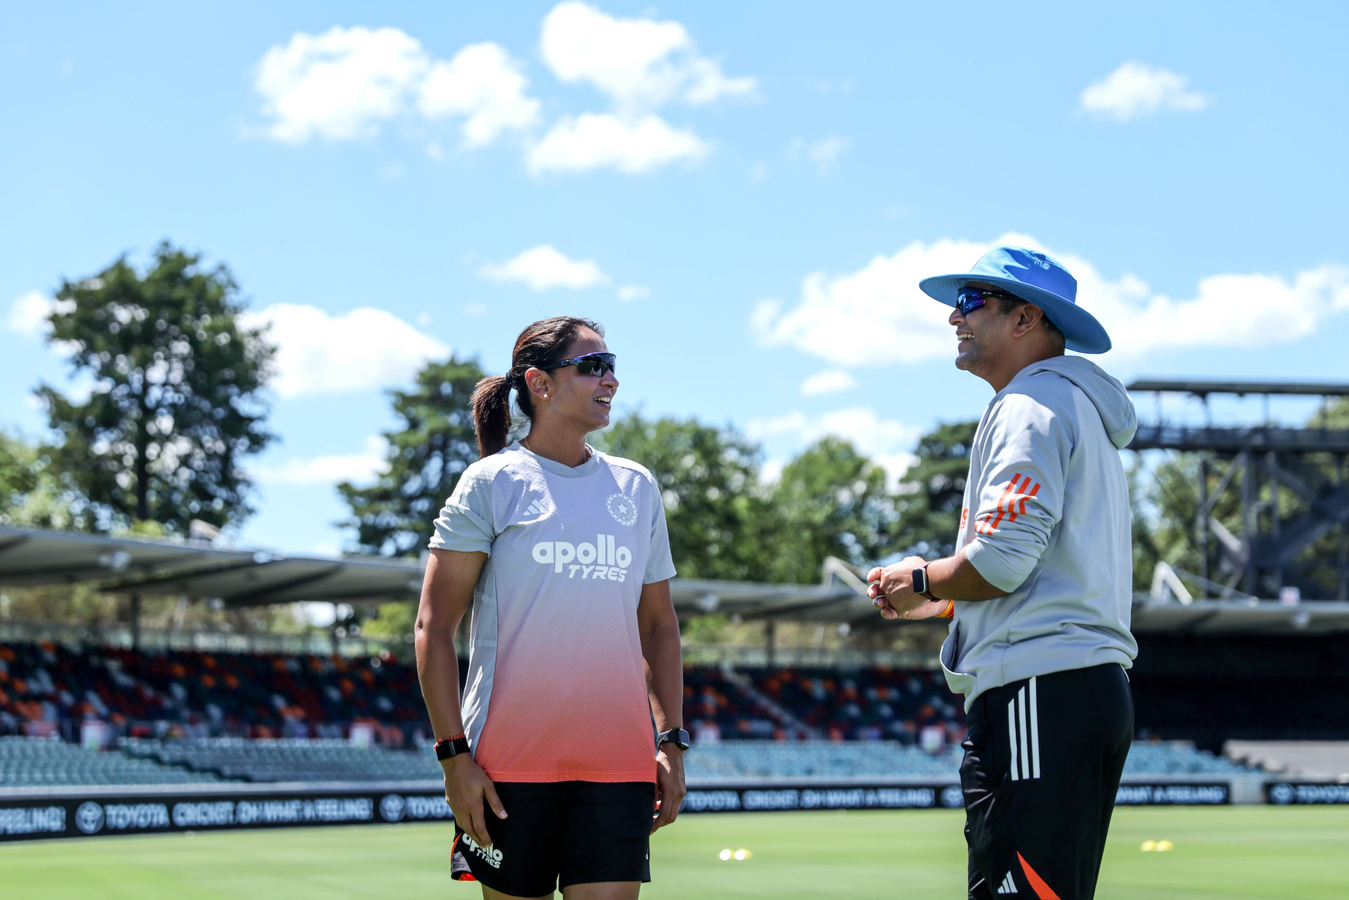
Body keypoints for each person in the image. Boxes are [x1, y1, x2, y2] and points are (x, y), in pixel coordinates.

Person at [868, 246, 1139, 900]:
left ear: (1025, 318)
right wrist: (944, 596)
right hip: (1072, 684)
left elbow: (1000, 561)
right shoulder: (1071, 405)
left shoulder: (1029, 404)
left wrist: (921, 580)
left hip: (1037, 689)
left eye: (971, 302)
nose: (953, 318)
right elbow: (1032, 568)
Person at [415, 316, 687, 900]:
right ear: (539, 383)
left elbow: (660, 628)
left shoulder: (637, 487)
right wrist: (453, 759)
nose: (610, 379)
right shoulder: (490, 482)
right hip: (505, 767)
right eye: (593, 366)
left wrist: (670, 742)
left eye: (612, 366)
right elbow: (433, 627)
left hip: (620, 764)